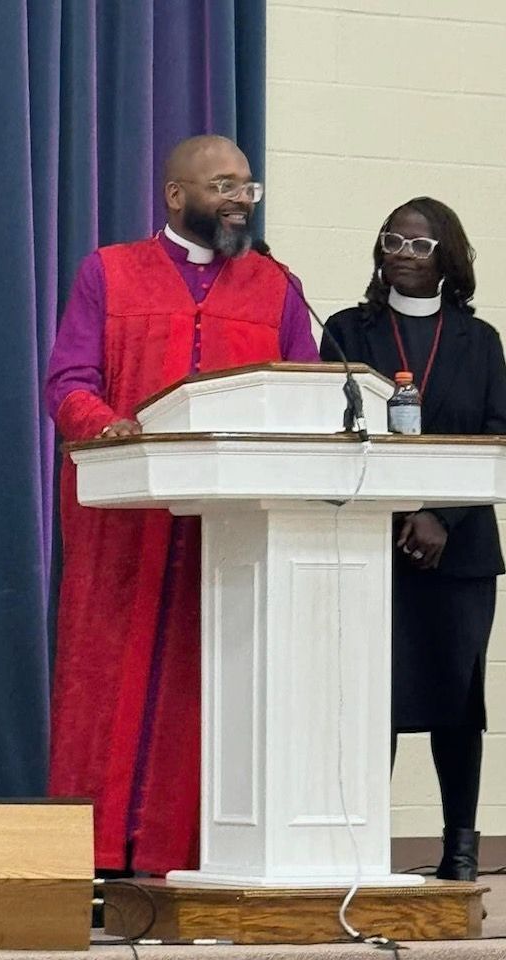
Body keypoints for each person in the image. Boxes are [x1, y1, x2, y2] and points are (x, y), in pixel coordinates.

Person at [45, 134, 319, 875]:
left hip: (229, 533)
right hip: (123, 528)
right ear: (175, 195)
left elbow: (312, 394)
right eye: (223, 185)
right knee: (104, 682)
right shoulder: (109, 272)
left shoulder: (277, 287)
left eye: (247, 187)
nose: (239, 200)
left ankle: (190, 856)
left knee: (208, 687)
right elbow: (68, 382)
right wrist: (110, 429)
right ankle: (98, 861)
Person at [321, 197, 506, 881]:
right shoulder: (346, 330)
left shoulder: (479, 340)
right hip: (374, 544)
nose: (400, 249)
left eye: (419, 244)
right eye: (392, 238)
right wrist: (402, 515)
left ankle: (460, 849)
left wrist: (439, 516)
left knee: (459, 697)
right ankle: (365, 846)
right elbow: (334, 433)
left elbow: (494, 434)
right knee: (378, 694)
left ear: (447, 258)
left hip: (462, 552)